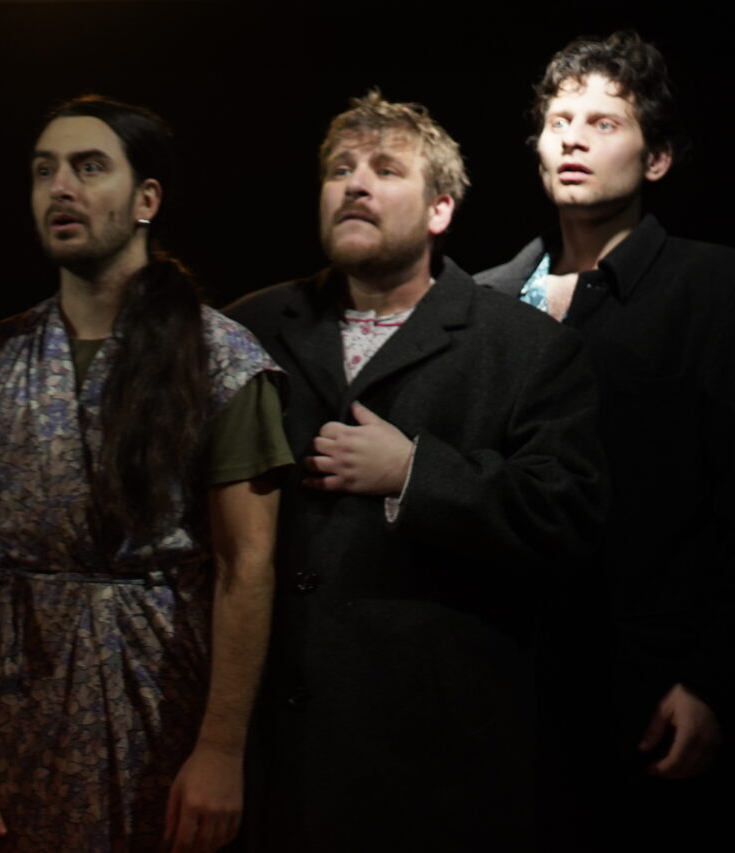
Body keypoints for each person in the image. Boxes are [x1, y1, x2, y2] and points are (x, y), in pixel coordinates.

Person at [227, 91, 606, 851]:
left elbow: (566, 516)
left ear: (440, 209)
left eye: (385, 169)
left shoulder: (524, 346)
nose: (355, 185)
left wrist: (414, 472)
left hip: (433, 764)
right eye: (340, 169)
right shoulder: (249, 328)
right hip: (276, 755)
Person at [0, 95, 290, 853]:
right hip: (19, 713)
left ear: (145, 200)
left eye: (88, 167)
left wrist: (221, 748)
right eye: (44, 171)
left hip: (163, 708)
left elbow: (246, 565)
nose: (60, 187)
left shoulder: (223, 360)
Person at [476, 31, 735, 847]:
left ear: (656, 159)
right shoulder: (482, 300)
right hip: (495, 681)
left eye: (603, 122)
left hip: (642, 686)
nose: (573, 139)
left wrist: (712, 676)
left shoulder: (712, 286)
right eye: (559, 121)